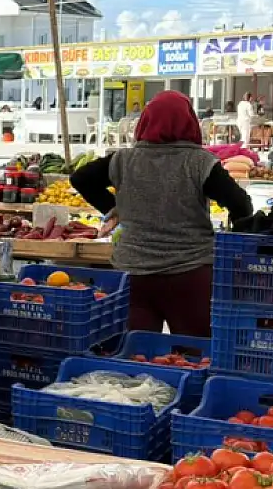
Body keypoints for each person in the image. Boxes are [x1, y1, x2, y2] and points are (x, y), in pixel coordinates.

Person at [69, 90, 253, 337]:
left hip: (133, 275)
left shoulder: (124, 159)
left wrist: (115, 208)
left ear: (144, 121)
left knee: (137, 352)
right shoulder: (199, 162)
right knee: (192, 354)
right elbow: (241, 205)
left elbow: (80, 178)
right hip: (190, 274)